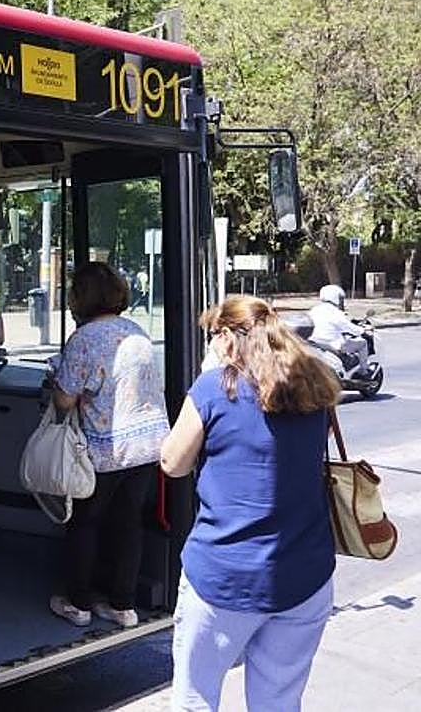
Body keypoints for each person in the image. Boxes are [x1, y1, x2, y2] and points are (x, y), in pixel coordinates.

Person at [161, 296, 340, 711]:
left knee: (195, 698)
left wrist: (208, 377)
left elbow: (172, 462)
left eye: (212, 336)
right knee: (278, 702)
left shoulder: (213, 387)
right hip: (305, 576)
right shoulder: (317, 385)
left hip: (224, 580)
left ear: (226, 337)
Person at [49, 262, 170, 628]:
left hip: (106, 448)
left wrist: (56, 376)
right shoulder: (137, 332)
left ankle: (79, 603)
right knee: (128, 524)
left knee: (85, 523)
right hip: (148, 444)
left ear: (80, 298)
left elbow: (64, 401)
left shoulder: (84, 339)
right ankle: (123, 605)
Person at [308, 284, 368, 373]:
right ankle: (364, 371)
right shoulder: (335, 313)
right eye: (340, 298)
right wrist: (364, 330)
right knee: (363, 343)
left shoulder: (314, 310)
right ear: (335, 298)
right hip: (332, 345)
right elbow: (351, 329)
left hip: (314, 343)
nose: (341, 301)